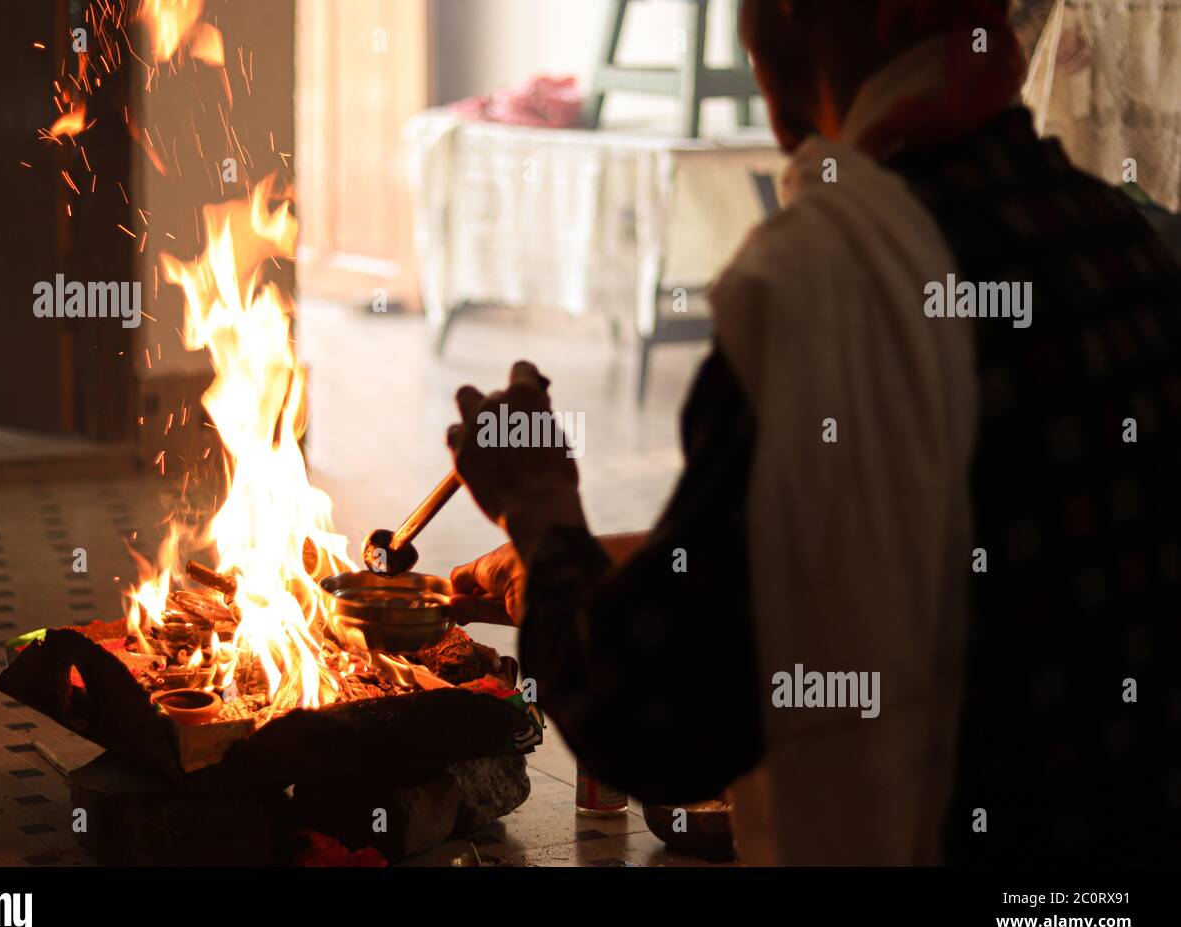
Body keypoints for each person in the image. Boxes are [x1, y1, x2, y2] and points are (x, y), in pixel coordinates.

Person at [444, 0, 1181, 865]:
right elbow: (942, 540)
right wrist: (618, 563)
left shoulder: (818, 281)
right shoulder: (1126, 246)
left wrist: (541, 512)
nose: (752, 44)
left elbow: (654, 721)